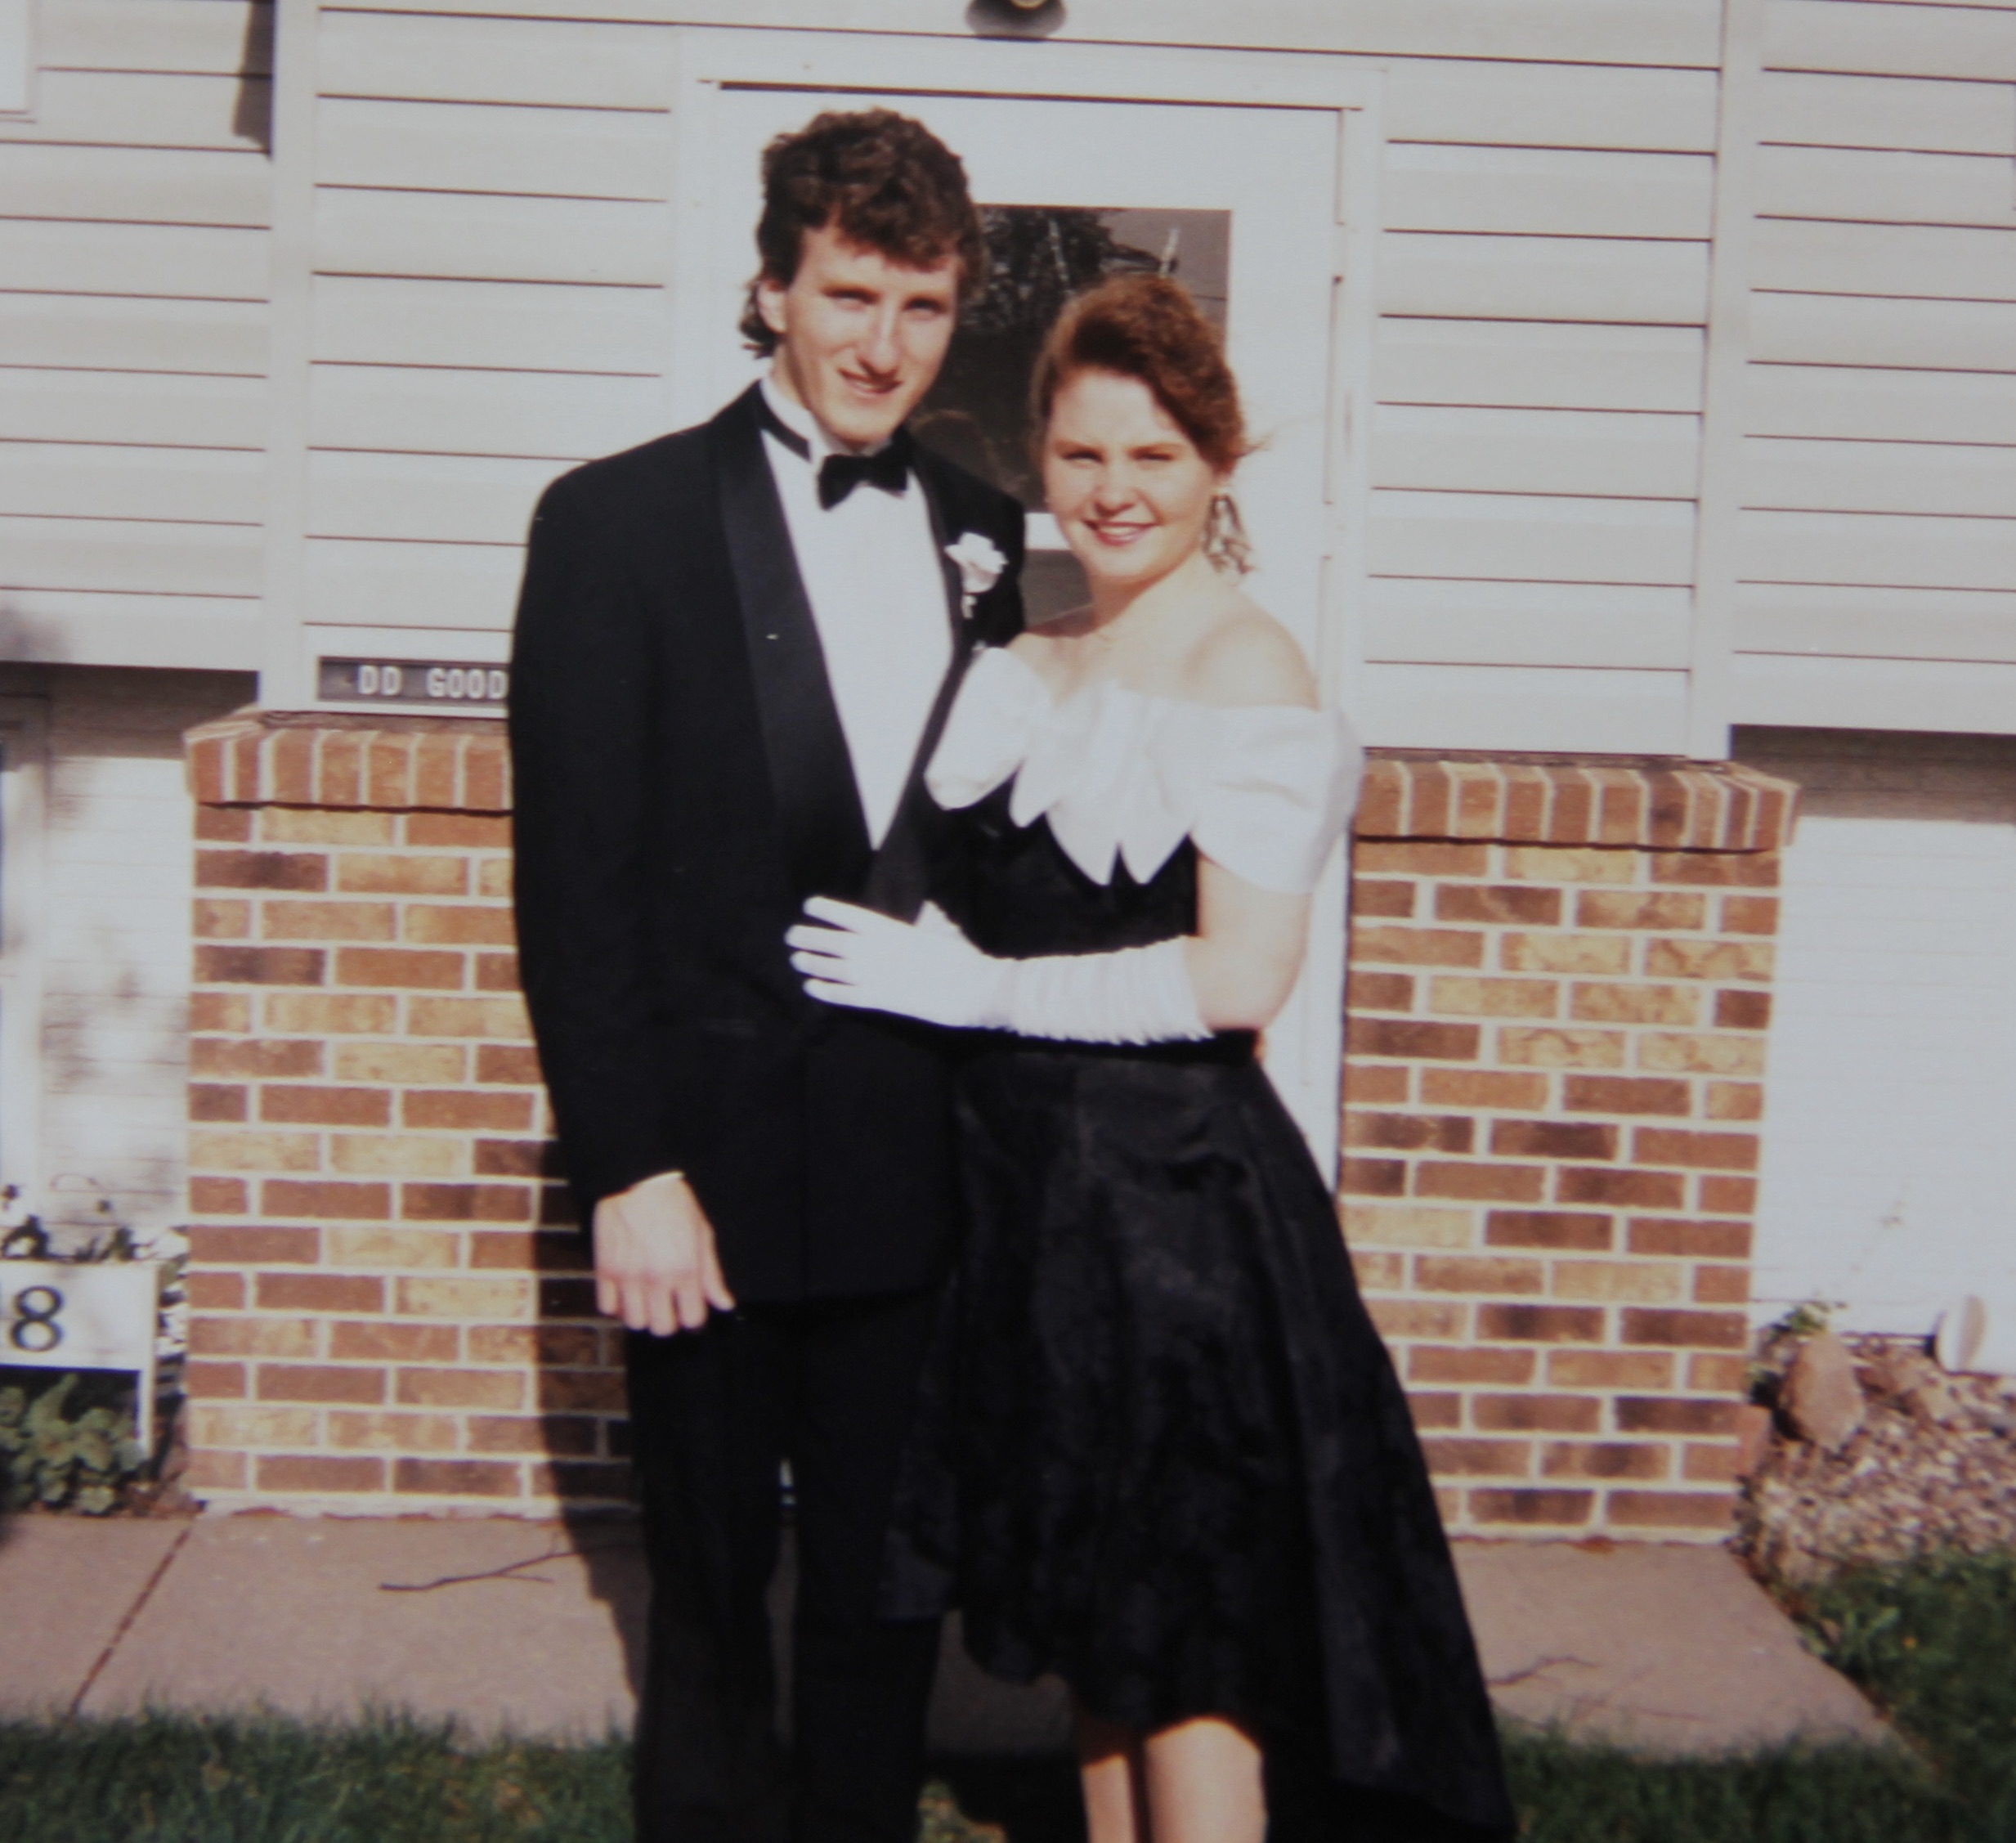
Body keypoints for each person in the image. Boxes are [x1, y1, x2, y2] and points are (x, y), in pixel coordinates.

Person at [788, 274, 1516, 1843]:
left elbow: (1238, 978)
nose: (1113, 491)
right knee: (1099, 1644)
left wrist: (975, 994)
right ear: (1040, 460)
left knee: (1189, 1650)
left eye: (1156, 457)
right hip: (1034, 1216)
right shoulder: (1035, 659)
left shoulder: (1248, 673)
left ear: (1217, 468)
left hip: (1175, 1221)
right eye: (1081, 454)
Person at [508, 110, 1025, 1843]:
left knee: (891, 1579)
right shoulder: (613, 525)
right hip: (700, 1170)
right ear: (773, 289)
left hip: (911, 1161)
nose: (886, 345)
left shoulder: (986, 533)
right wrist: (628, 1170)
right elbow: (574, 890)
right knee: (716, 1588)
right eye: (853, 294)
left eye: (927, 307)